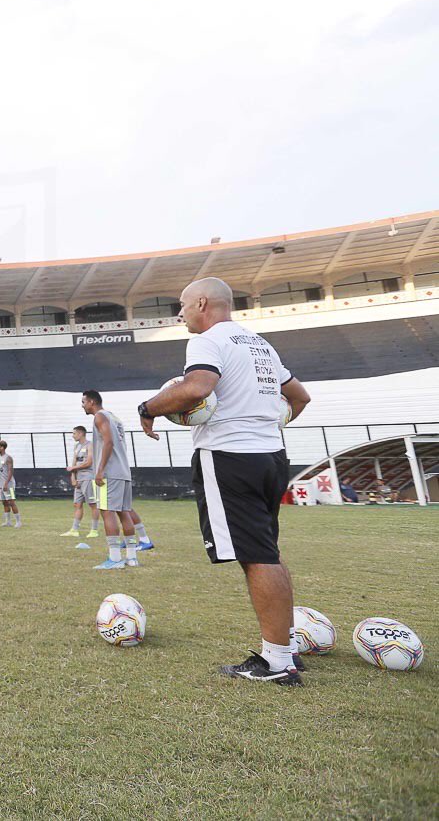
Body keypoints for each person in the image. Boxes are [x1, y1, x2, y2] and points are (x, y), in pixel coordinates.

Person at [139, 276, 311, 685]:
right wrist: (266, 425)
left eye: (182, 305)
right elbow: (300, 397)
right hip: (272, 456)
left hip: (230, 457)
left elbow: (196, 388)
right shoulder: (259, 344)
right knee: (267, 551)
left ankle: (277, 664)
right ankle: (283, 652)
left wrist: (147, 407)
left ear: (202, 302)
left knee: (257, 556)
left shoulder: (208, 340)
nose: (179, 314)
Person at [82, 390, 139, 570]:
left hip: (110, 473)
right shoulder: (114, 417)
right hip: (123, 472)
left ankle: (114, 559)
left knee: (107, 512)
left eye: (83, 401)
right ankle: (132, 557)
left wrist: (99, 470)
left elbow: (108, 442)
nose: (82, 405)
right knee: (124, 512)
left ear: (92, 401)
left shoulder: (99, 416)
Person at [61, 426, 100, 537]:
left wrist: (73, 469)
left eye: (74, 434)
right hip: (79, 479)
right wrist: (73, 477)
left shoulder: (90, 445)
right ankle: (74, 530)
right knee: (77, 504)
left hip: (89, 478)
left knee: (93, 504)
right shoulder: (76, 446)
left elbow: (89, 462)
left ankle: (94, 530)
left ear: (80, 433)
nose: (73, 436)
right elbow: (74, 463)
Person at [0, 441, 21, 527]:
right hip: (1, 485)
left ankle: (18, 522)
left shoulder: (8, 458)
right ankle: (8, 522)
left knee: (11, 502)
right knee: (4, 503)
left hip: (9, 485)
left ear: (2, 447)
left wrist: (6, 483)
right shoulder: (0, 458)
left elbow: (11, 471)